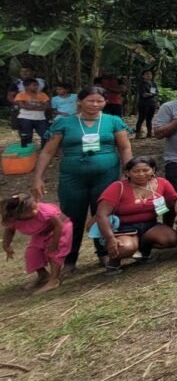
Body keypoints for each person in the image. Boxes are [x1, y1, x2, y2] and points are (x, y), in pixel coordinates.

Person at [32, 86, 131, 272]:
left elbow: (125, 148)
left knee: (103, 213)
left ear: (106, 102)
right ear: (79, 101)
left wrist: (128, 171)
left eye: (99, 101)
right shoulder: (64, 123)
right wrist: (38, 177)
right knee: (71, 216)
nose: (95, 104)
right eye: (90, 101)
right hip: (73, 177)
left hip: (106, 175)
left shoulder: (113, 121)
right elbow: (47, 152)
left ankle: (104, 253)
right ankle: (69, 259)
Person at [94, 156, 177, 272]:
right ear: (127, 173)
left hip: (150, 225)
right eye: (136, 171)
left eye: (146, 170)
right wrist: (110, 238)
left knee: (171, 239)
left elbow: (174, 203)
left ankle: (144, 251)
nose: (141, 174)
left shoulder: (162, 183)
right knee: (125, 247)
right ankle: (114, 262)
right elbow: (101, 215)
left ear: (153, 170)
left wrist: (171, 223)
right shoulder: (118, 187)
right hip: (124, 228)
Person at [2, 192, 71, 293]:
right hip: (41, 233)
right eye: (31, 210)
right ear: (19, 215)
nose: (36, 209)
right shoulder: (14, 219)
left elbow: (58, 225)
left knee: (53, 253)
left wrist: (54, 243)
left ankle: (54, 280)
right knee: (32, 253)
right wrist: (6, 245)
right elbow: (9, 231)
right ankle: (43, 275)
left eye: (35, 206)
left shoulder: (44, 211)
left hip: (60, 229)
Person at [14, 78, 49, 147]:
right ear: (26, 86)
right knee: (27, 135)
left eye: (37, 85)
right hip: (25, 118)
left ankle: (44, 149)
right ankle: (28, 150)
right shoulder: (21, 94)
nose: (37, 87)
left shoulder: (42, 94)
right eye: (34, 85)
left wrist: (30, 107)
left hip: (40, 118)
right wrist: (39, 106)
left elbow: (46, 106)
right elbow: (22, 106)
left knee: (45, 134)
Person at [132, 70, 159, 139]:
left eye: (150, 74)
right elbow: (144, 95)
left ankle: (149, 133)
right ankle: (137, 133)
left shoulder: (153, 84)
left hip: (152, 103)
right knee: (141, 118)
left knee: (149, 119)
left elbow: (155, 93)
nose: (149, 75)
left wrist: (151, 95)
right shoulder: (142, 84)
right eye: (147, 74)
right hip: (143, 104)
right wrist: (152, 94)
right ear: (143, 76)